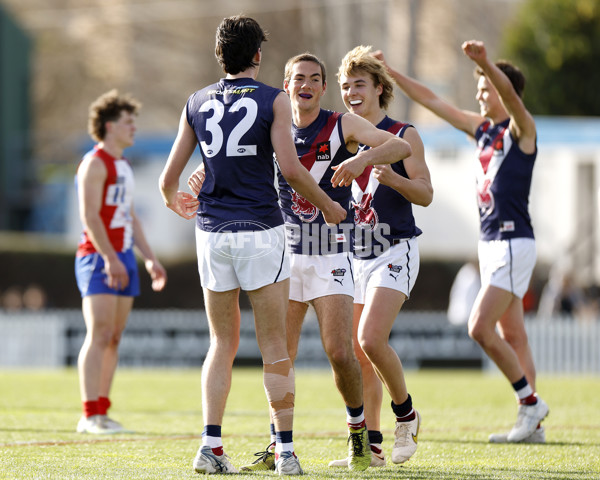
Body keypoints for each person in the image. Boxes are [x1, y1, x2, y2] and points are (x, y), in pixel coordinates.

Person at [159, 16, 346, 476]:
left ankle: (211, 447)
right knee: (275, 345)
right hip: (261, 230)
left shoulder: (196, 101)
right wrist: (327, 206)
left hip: (212, 233)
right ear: (258, 56)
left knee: (221, 343)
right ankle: (284, 452)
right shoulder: (274, 99)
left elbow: (168, 182)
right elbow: (293, 170)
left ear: (220, 55)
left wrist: (180, 204)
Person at [232, 52, 413, 472]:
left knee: (339, 352)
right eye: (299, 79)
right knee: (282, 355)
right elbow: (238, 164)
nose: (306, 85)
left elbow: (399, 144)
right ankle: (277, 446)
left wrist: (362, 158)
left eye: (315, 78)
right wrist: (205, 175)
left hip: (331, 252)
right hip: (287, 255)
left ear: (322, 87)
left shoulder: (341, 125)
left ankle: (358, 436)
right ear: (286, 83)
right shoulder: (271, 124)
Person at [374, 40, 549, 443]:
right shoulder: (483, 130)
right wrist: (393, 74)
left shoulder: (523, 129)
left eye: (486, 88)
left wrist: (487, 63)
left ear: (507, 91)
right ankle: (533, 424)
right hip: (491, 245)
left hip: (511, 241)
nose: (480, 95)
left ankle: (529, 403)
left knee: (478, 327)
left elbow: (508, 95)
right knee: (513, 335)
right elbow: (433, 101)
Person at [323, 45, 433, 468]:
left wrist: (393, 179)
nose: (351, 92)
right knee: (356, 355)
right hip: (354, 257)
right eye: (346, 86)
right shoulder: (340, 136)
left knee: (371, 339)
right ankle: (370, 450)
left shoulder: (403, 135)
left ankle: (406, 416)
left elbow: (425, 194)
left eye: (360, 85)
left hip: (395, 250)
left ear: (379, 89)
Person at [75, 89, 167, 434]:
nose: (134, 128)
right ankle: (89, 414)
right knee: (98, 333)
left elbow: (130, 218)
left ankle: (103, 409)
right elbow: (90, 217)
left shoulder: (124, 165)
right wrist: (110, 258)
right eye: (129, 122)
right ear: (110, 126)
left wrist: (150, 259)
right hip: (98, 258)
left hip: (124, 257)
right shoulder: (94, 163)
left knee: (114, 335)